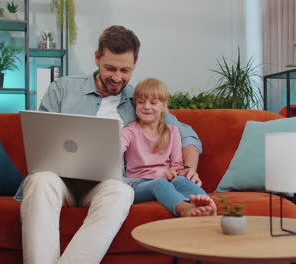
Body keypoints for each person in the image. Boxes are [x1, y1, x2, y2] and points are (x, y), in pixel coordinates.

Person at [18, 25, 203, 264]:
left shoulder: (141, 99)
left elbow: (187, 135)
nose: (117, 77)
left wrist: (189, 167)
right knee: (40, 181)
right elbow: (41, 139)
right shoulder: (63, 89)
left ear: (135, 64)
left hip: (106, 185)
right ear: (97, 58)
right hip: (58, 180)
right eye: (110, 68)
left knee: (121, 192)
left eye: (125, 70)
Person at [122, 78, 216, 217]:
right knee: (159, 183)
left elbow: (177, 165)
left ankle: (208, 205)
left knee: (180, 180)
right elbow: (115, 150)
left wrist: (173, 172)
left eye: (153, 102)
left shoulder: (172, 131)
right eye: (141, 102)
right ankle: (184, 208)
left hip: (166, 180)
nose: (146, 106)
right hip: (137, 185)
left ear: (164, 106)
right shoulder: (129, 131)